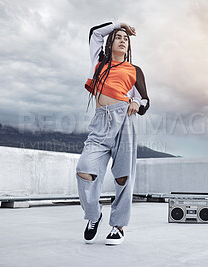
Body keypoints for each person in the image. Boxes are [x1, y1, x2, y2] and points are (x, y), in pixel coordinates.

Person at [75, 21, 150, 245]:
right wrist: (120, 25)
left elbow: (145, 101)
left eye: (125, 38)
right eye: (118, 37)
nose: (122, 40)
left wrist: (136, 101)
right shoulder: (99, 63)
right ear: (110, 43)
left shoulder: (134, 71)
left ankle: (117, 226)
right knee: (84, 170)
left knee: (123, 176)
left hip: (125, 121)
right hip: (101, 122)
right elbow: (94, 32)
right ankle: (93, 214)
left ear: (129, 47)